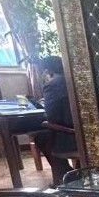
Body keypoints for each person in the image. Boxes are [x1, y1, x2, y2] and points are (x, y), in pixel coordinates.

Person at [30, 55, 75, 186]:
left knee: (41, 137)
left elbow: (52, 117)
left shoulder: (52, 84)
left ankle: (65, 174)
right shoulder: (74, 79)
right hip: (86, 131)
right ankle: (69, 173)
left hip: (72, 136)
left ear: (47, 70)